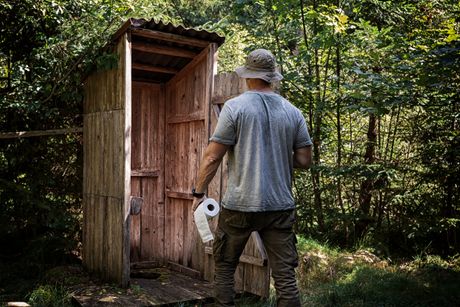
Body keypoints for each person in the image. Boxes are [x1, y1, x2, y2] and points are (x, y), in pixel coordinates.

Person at [192, 49, 312, 307]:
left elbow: (212, 158)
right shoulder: (293, 112)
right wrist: (277, 156)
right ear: (272, 77)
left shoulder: (235, 108)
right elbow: (304, 160)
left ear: (247, 76)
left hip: (239, 206)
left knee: (225, 268)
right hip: (280, 207)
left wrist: (198, 192)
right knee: (285, 278)